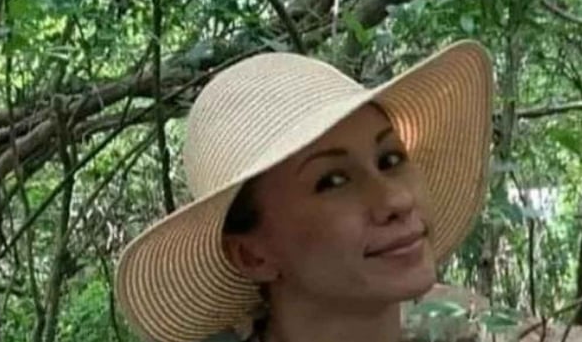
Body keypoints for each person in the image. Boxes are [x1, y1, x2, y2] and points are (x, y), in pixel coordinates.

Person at [114, 40, 493, 342]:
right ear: (252, 255)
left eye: (390, 159)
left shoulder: (473, 325)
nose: (397, 200)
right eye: (333, 181)